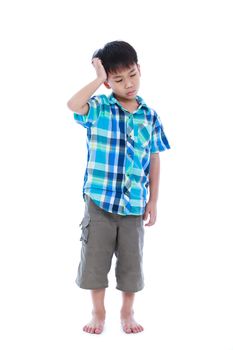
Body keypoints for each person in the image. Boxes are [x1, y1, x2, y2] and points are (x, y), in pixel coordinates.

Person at [67, 40, 171, 334]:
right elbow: (73, 105)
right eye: (118, 79)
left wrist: (153, 200)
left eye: (132, 75)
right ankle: (98, 312)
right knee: (95, 262)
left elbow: (154, 158)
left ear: (140, 69)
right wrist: (98, 79)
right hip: (99, 201)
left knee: (131, 264)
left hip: (134, 203)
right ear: (108, 81)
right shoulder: (99, 108)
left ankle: (127, 311)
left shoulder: (149, 116)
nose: (128, 84)